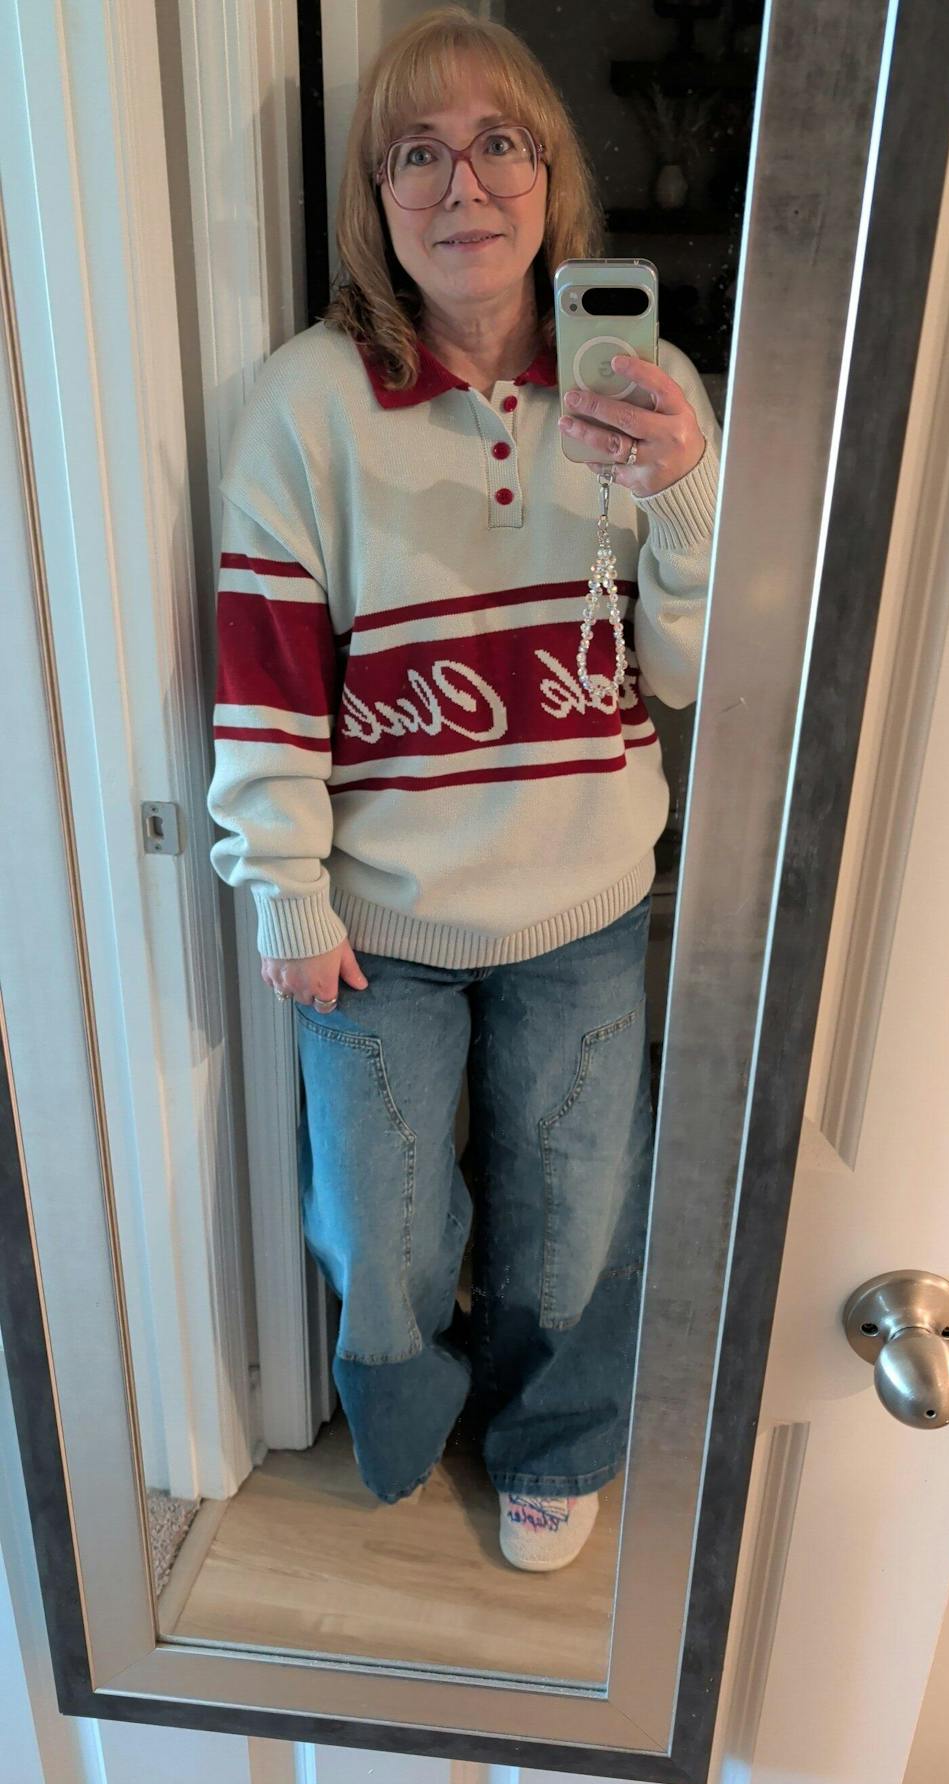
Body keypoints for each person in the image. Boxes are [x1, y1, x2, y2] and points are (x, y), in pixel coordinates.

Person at [206, 4, 720, 1572]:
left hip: (586, 894)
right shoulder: (304, 404)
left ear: (554, 175)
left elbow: (691, 672)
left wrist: (687, 498)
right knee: (384, 1231)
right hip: (377, 920)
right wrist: (282, 888)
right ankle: (408, 1424)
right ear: (374, 199)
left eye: (500, 143)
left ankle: (555, 1439)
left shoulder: (647, 389)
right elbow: (264, 670)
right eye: (415, 154)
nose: (463, 185)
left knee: (572, 1215)